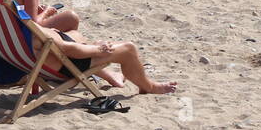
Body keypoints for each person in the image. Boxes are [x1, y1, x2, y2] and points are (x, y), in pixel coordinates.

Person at [39, 26, 177, 95]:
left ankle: (112, 74)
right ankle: (149, 87)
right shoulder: (25, 21)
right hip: (66, 65)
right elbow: (67, 50)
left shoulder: (18, 24)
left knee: (77, 36)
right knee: (128, 49)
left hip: (43, 65)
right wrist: (98, 50)